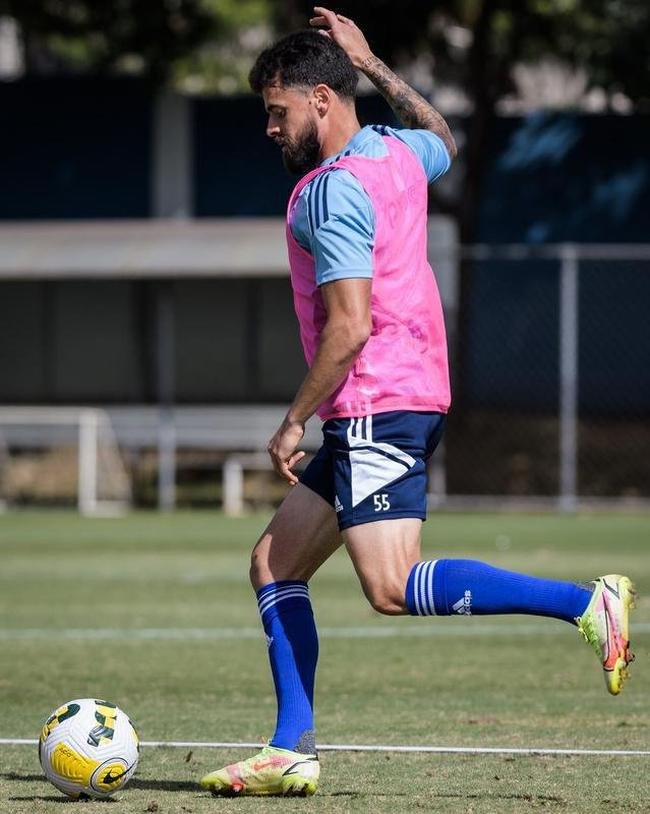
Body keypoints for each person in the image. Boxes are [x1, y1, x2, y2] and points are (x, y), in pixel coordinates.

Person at [200, 6, 636, 797]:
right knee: (273, 561)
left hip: (375, 395)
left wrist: (294, 419)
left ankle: (588, 603)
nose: (270, 127)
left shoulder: (329, 192)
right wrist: (371, 63)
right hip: (406, 391)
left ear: (320, 103)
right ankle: (290, 747)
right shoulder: (397, 153)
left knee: (390, 587)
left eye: (278, 110)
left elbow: (348, 326)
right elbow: (445, 133)